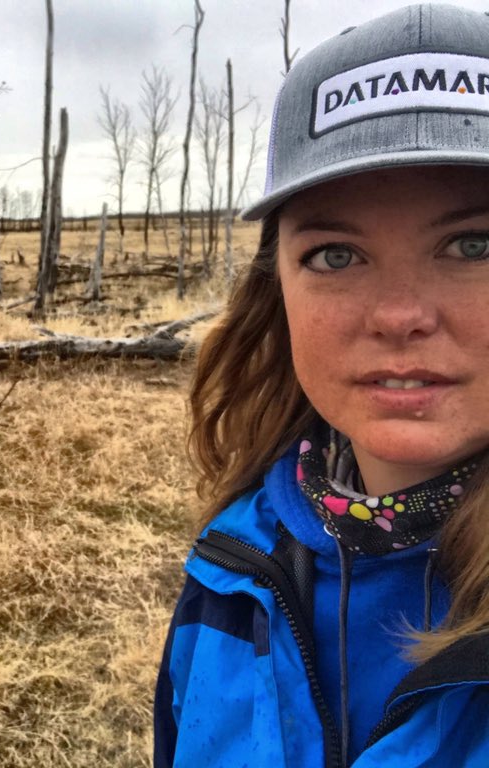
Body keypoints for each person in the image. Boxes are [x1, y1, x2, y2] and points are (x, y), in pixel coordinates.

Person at [154, 4, 489, 767]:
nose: (399, 315)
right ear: (278, 290)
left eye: (474, 243)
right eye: (337, 255)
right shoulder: (232, 574)